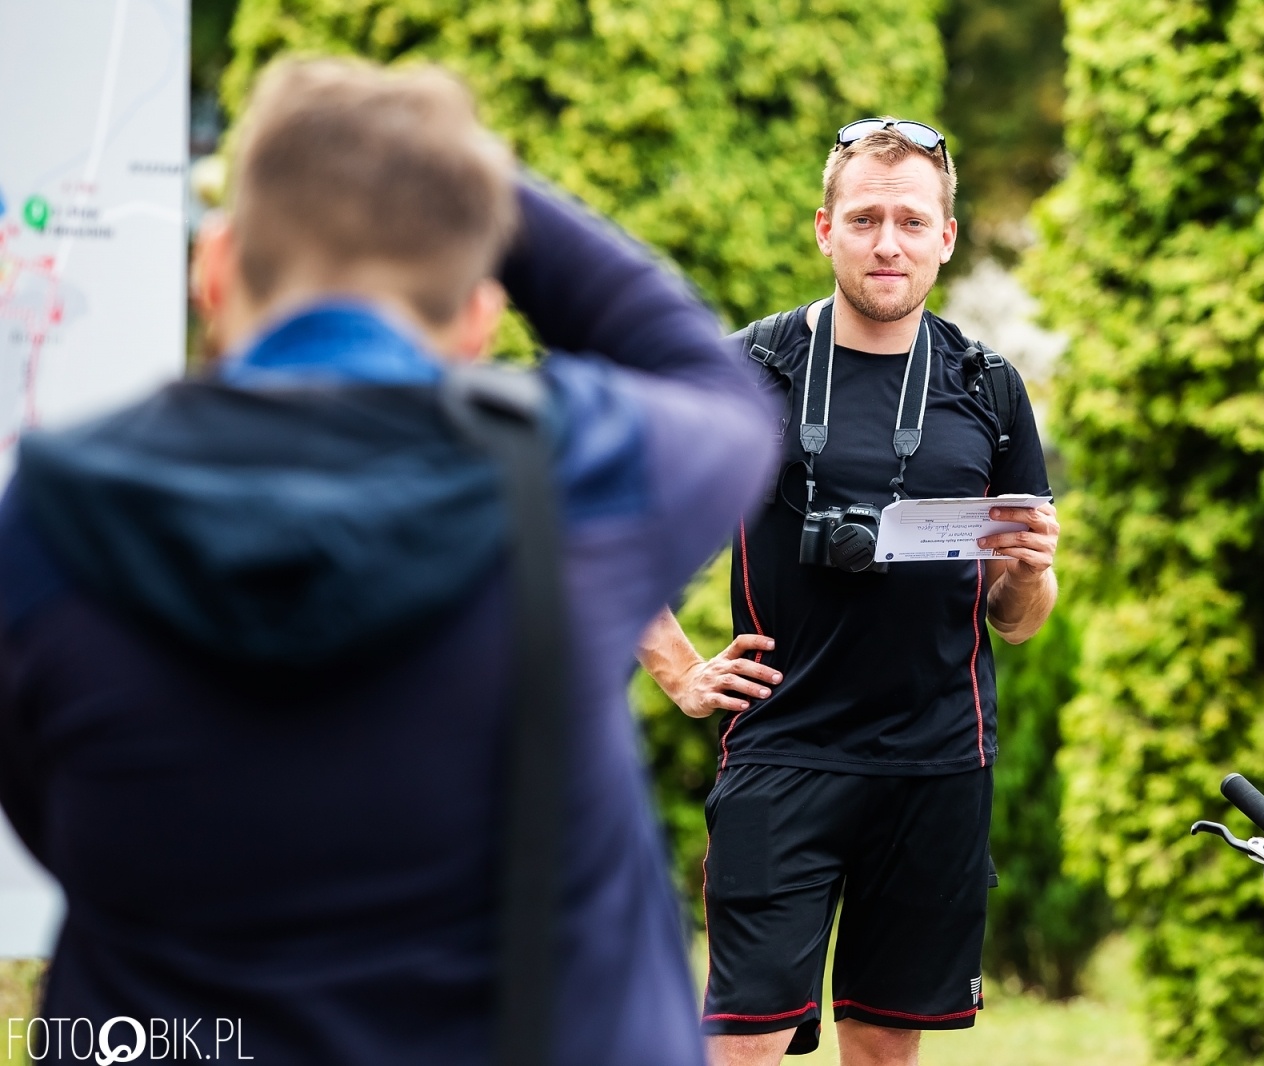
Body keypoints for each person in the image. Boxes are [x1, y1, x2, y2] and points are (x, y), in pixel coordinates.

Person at [0, 59, 775, 1065]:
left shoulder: (54, 511)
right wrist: (468, 178)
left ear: (215, 270)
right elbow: (719, 394)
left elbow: (40, 796)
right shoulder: (572, 478)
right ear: (480, 316)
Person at [636, 118, 1060, 1066]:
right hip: (785, 755)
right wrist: (681, 673)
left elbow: (1019, 623)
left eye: (912, 221)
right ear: (824, 228)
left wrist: (1028, 571)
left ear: (946, 238)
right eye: (864, 218)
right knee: (740, 1046)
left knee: (883, 1049)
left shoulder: (989, 390)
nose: (888, 243)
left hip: (939, 766)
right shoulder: (750, 368)